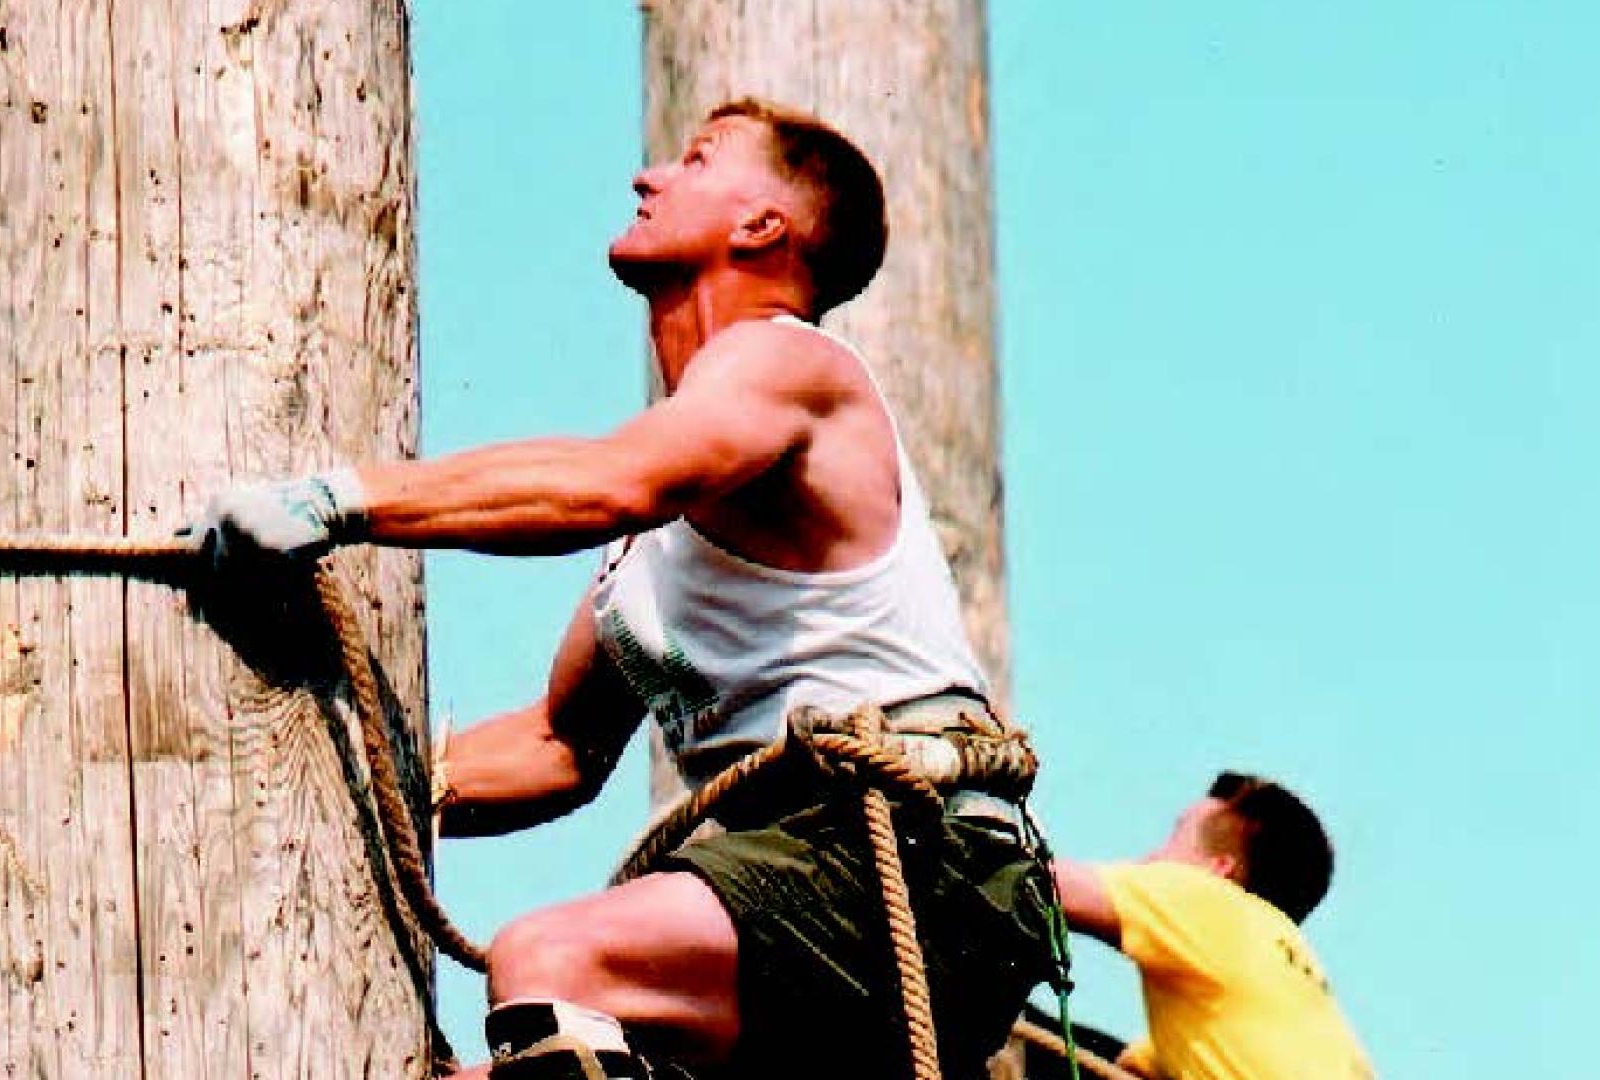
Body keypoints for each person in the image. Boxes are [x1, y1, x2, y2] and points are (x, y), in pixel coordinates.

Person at [194, 98, 1058, 1079]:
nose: (650, 178)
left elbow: (611, 483)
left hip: (919, 862)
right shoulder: (662, 539)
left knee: (551, 960)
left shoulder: (788, 365)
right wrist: (347, 777)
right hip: (807, 887)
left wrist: (334, 501)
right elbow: (558, 746)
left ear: (762, 227)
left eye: (696, 161)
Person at [1050, 772, 1375, 1080]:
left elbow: (1040, 882)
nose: (1150, 859)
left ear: (1218, 869)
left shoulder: (1212, 903)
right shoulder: (1295, 983)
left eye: (1174, 839)